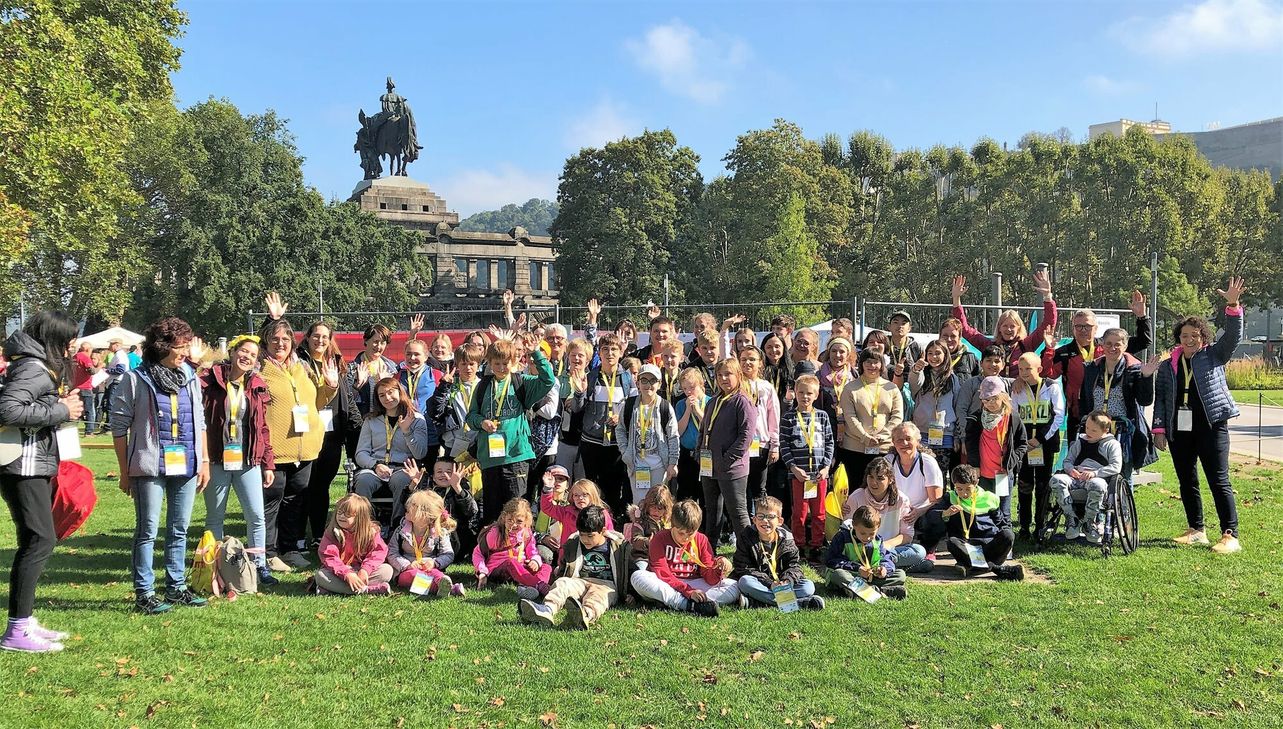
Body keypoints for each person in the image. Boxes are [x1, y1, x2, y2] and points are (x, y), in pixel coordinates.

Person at [111, 317, 210, 614]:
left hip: (187, 464)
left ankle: (176, 588)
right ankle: (144, 593)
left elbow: (200, 421)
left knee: (179, 529)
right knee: (148, 530)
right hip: (149, 466)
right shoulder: (135, 379)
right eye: (180, 346)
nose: (185, 352)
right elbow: (119, 427)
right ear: (163, 346)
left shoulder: (189, 377)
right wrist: (125, 470)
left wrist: (203, 461)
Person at [0, 310, 84, 652]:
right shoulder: (34, 368)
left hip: (29, 464)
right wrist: (61, 412)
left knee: (33, 539)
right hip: (23, 466)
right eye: (69, 339)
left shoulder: (32, 364)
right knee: (40, 540)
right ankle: (17, 630)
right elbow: (6, 410)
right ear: (54, 339)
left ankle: (25, 619)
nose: (72, 345)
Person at [1153, 278, 1246, 554]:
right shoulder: (1168, 364)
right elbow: (1162, 399)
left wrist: (1232, 304)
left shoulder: (1214, 355)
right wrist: (1159, 430)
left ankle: (1230, 534)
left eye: (1194, 335)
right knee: (1186, 479)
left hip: (1211, 426)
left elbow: (1233, 337)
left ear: (1202, 336)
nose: (1189, 339)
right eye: (1184, 335)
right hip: (1180, 429)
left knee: (1218, 479)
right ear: (1178, 338)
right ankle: (1197, 530)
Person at [258, 316, 339, 572]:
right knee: (272, 502)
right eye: (275, 339)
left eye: (285, 339)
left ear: (293, 343)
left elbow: (316, 402)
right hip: (276, 449)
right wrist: (274, 319)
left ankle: (290, 548)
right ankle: (268, 553)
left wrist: (331, 387)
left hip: (305, 448)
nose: (280, 344)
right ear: (266, 342)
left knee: (296, 500)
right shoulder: (261, 368)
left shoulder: (299, 368)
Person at [199, 334, 277, 587]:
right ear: (232, 352)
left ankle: (259, 566)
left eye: (253, 355)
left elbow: (263, 427)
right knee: (214, 517)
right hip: (217, 460)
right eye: (243, 351)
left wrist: (268, 463)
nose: (247, 357)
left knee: (256, 516)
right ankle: (215, 566)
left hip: (248, 460)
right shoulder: (210, 379)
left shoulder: (256, 384)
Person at [466, 339, 556, 523]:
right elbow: (470, 416)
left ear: (513, 362)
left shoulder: (522, 382)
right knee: (492, 510)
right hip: (490, 457)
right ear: (489, 363)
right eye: (496, 363)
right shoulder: (482, 386)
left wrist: (536, 354)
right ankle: (494, 549)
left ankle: (520, 549)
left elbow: (548, 381)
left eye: (505, 363)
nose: (501, 367)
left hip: (516, 455)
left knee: (517, 509)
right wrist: (481, 422)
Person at [1041, 292, 1152, 438]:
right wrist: (1049, 350)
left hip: (1114, 416)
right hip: (1079, 415)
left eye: (1087, 326)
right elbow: (1046, 373)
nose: (1083, 330)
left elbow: (1144, 341)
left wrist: (1142, 317)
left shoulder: (1108, 346)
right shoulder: (1064, 352)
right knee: (1080, 457)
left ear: (1095, 327)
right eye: (1078, 326)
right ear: (1073, 328)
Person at [297, 320, 363, 550]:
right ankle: (295, 536)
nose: (320, 340)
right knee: (304, 486)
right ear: (307, 337)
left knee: (322, 485)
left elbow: (346, 397)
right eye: (316, 336)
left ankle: (316, 533)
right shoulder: (297, 361)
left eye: (325, 337)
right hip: (304, 432)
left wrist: (356, 424)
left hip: (331, 435)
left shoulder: (335, 362)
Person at [519, 505, 630, 630]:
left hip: (606, 585)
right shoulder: (574, 542)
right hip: (580, 581)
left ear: (603, 531)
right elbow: (564, 566)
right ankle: (547, 610)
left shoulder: (618, 546)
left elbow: (627, 570)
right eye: (582, 535)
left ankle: (584, 615)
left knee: (598, 597)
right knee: (562, 583)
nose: (585, 539)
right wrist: (557, 577)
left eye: (590, 536)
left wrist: (630, 593)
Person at [629, 499, 739, 617]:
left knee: (733, 586)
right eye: (681, 533)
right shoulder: (659, 538)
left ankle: (674, 601)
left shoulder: (701, 539)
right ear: (672, 525)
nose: (686, 538)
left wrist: (718, 568)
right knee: (638, 577)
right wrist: (687, 591)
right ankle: (688, 604)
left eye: (690, 534)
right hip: (666, 583)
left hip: (693, 583)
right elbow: (662, 572)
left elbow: (709, 577)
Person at [1078, 328, 1158, 485]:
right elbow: (1085, 399)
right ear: (1102, 344)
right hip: (1095, 428)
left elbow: (1144, 401)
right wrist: (1083, 421)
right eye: (1108, 343)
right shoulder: (1092, 369)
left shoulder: (1133, 370)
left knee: (1122, 473)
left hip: (1122, 430)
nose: (1112, 348)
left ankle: (1124, 507)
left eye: (1117, 344)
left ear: (1125, 345)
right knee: (1093, 469)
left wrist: (1147, 377)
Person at [571, 333, 635, 518]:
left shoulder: (627, 378)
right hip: (591, 442)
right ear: (599, 352)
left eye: (614, 349)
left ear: (621, 352)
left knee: (614, 488)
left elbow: (633, 409)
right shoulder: (591, 376)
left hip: (615, 444)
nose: (609, 353)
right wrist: (579, 393)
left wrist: (621, 416)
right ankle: (591, 523)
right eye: (605, 349)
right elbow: (576, 409)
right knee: (591, 488)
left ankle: (611, 526)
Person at [353, 378, 429, 530]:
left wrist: (407, 431)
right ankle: (365, 526)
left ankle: (398, 527)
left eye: (390, 392)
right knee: (363, 481)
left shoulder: (417, 419)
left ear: (400, 392)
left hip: (403, 467)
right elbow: (360, 453)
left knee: (401, 481)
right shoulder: (371, 420)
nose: (387, 398)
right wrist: (375, 465)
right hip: (375, 466)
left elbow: (420, 454)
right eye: (382, 395)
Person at [950, 270, 1057, 377]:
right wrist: (956, 299)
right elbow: (964, 329)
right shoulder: (989, 346)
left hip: (1019, 390)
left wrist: (1048, 296)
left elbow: (1048, 325)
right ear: (999, 328)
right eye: (1005, 326)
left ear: (1019, 328)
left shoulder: (1026, 345)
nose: (1008, 329)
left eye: (1012, 326)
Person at [698, 358, 756, 546]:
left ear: (738, 375)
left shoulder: (743, 401)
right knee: (712, 510)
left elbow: (745, 437)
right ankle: (709, 550)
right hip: (709, 465)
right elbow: (703, 429)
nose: (723, 378)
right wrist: (700, 452)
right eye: (719, 375)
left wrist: (725, 460)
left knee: (738, 513)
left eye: (728, 374)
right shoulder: (713, 400)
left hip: (731, 468)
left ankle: (749, 554)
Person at [732, 496, 825, 610]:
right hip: (761, 583)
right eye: (761, 516)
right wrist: (769, 583)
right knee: (744, 582)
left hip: (781, 583)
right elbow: (743, 567)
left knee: (808, 586)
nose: (765, 521)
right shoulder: (746, 536)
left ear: (780, 521)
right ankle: (800, 603)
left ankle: (757, 602)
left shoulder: (787, 538)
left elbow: (794, 565)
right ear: (754, 519)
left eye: (770, 517)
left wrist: (787, 581)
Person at [1010, 352, 1064, 540]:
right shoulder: (1017, 389)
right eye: (1021, 369)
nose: (1024, 373)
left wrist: (1040, 439)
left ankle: (1040, 524)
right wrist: (1023, 442)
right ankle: (1024, 526)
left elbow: (1058, 415)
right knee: (1024, 484)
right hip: (1025, 446)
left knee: (1042, 485)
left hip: (1044, 444)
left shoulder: (1051, 387)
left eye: (1028, 369)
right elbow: (1014, 416)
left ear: (1039, 369)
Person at [779, 374, 833, 559]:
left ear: (816, 395)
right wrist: (793, 467)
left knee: (819, 512)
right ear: (795, 393)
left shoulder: (822, 416)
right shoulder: (789, 418)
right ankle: (799, 545)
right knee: (799, 513)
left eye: (809, 393)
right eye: (801, 392)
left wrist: (825, 468)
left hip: (819, 476)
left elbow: (829, 443)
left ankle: (817, 545)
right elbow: (784, 444)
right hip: (799, 475)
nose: (805, 397)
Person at [845, 458, 932, 573]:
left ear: (890, 479)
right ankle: (897, 566)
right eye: (870, 477)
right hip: (862, 549)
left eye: (880, 478)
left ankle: (882, 564)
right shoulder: (856, 497)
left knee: (919, 551)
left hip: (888, 548)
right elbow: (847, 530)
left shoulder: (901, 500)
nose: (873, 482)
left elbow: (907, 535)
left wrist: (883, 546)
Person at [1049, 411, 1123, 543]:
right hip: (1075, 476)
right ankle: (1072, 519)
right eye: (1087, 428)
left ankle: (1089, 522)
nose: (1089, 432)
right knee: (1056, 480)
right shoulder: (1080, 442)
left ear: (1105, 430)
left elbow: (1116, 466)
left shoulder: (1112, 444)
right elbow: (1067, 461)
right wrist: (1071, 470)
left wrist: (1095, 473)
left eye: (1093, 430)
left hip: (1098, 478)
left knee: (1097, 484)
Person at [940, 465, 1024, 580]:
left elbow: (1001, 523)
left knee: (1008, 534)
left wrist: (1006, 536)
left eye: (968, 489)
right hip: (967, 546)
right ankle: (997, 569)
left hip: (989, 545)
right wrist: (945, 514)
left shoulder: (989, 498)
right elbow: (936, 520)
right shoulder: (950, 498)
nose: (964, 494)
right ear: (953, 484)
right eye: (959, 489)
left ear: (976, 483)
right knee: (952, 542)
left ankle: (970, 565)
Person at [880, 423, 947, 559]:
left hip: (921, 512)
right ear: (893, 442)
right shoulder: (888, 461)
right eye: (899, 439)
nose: (904, 443)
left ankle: (929, 549)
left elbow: (936, 500)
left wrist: (918, 511)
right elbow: (876, 491)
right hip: (895, 511)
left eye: (908, 439)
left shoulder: (927, 462)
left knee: (938, 514)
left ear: (917, 440)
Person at [615, 364, 679, 505]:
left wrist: (673, 462)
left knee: (658, 503)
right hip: (636, 463)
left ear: (659, 383)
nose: (648, 385)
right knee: (640, 504)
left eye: (652, 381)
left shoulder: (665, 407)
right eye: (644, 380)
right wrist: (625, 451)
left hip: (659, 464)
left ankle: (658, 528)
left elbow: (673, 436)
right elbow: (620, 429)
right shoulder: (630, 405)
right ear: (637, 383)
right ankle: (640, 527)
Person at [964, 378, 1027, 520]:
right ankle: (985, 537)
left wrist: (1011, 462)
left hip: (1003, 473)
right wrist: (974, 465)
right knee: (984, 508)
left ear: (1003, 397)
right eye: (986, 400)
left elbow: (1022, 444)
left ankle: (1005, 538)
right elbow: (971, 444)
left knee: (1003, 510)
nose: (990, 404)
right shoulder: (975, 418)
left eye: (994, 399)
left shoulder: (1013, 418)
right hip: (983, 473)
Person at [839, 349, 904, 485]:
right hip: (855, 448)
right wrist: (864, 436)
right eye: (868, 362)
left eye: (876, 362)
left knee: (883, 487)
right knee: (856, 489)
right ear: (861, 364)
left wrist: (884, 435)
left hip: (884, 448)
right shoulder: (850, 388)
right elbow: (850, 416)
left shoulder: (891, 388)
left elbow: (897, 416)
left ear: (882, 365)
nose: (872, 366)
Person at [387, 489, 464, 597]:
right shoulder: (400, 531)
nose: (406, 508)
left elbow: (448, 554)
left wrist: (434, 562)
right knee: (410, 577)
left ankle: (442, 584)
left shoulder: (439, 532)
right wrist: (407, 565)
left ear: (423, 515)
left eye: (411, 506)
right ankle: (447, 589)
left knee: (436, 574)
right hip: (407, 570)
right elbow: (391, 552)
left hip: (430, 568)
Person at [472, 497, 552, 600]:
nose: (513, 525)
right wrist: (482, 572)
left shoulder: (526, 533)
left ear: (526, 521)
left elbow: (532, 552)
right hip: (498, 571)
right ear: (504, 518)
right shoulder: (495, 533)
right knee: (511, 562)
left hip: (520, 569)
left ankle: (532, 587)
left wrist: (535, 561)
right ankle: (539, 586)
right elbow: (478, 552)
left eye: (519, 521)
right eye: (510, 520)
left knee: (546, 567)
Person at [312, 493, 393, 595]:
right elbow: (329, 557)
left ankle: (333, 589)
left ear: (360, 518)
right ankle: (368, 590)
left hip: (361, 571)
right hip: (340, 572)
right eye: (339, 512)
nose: (341, 516)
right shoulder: (332, 532)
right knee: (321, 576)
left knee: (387, 570)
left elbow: (378, 553)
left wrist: (365, 570)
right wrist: (347, 574)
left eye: (347, 514)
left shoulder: (371, 532)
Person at [824, 505, 908, 600]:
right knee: (839, 575)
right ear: (854, 525)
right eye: (862, 533)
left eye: (872, 534)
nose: (867, 538)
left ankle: (865, 591)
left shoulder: (877, 540)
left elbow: (885, 558)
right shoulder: (842, 537)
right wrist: (857, 568)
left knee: (900, 574)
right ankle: (882, 591)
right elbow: (831, 560)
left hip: (870, 577)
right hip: (852, 574)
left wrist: (884, 569)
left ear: (878, 528)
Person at [907, 340, 961, 475]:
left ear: (945, 355)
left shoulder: (952, 379)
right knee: (921, 473)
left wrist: (957, 436)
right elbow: (913, 384)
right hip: (922, 432)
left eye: (938, 353)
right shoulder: (922, 375)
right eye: (930, 353)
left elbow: (957, 405)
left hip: (945, 434)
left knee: (939, 474)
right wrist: (916, 369)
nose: (933, 357)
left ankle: (939, 497)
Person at [406, 458, 479, 558]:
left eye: (448, 472)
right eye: (439, 472)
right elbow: (407, 507)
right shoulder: (426, 488)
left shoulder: (461, 488)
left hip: (454, 536)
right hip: (428, 535)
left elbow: (472, 511)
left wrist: (457, 487)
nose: (443, 474)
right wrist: (413, 484)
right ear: (434, 476)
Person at [738, 346, 780, 505]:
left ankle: (760, 523)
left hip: (761, 444)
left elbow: (773, 418)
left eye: (752, 359)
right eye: (743, 359)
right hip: (740, 444)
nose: (747, 363)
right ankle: (744, 526)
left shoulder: (767, 387)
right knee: (741, 488)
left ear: (760, 363)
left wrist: (775, 446)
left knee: (759, 489)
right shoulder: (736, 386)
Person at [953, 346, 1010, 464]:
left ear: (1003, 365)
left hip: (998, 437)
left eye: (997, 361)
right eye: (989, 360)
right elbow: (961, 409)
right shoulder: (971, 384)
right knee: (972, 472)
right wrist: (964, 437)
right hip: (974, 436)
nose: (993, 364)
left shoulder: (1007, 384)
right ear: (981, 363)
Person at [539, 473, 615, 560]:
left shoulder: (602, 513)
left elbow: (610, 535)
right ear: (572, 497)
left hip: (594, 556)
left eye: (585, 494)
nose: (580, 498)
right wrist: (548, 488)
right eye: (576, 495)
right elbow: (547, 507)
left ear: (593, 495)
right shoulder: (566, 512)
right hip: (569, 557)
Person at [429, 343, 482, 462]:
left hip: (478, 444)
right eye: (463, 364)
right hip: (453, 444)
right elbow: (435, 412)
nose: (468, 368)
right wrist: (443, 386)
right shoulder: (450, 385)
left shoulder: (483, 386)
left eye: (472, 364)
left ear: (478, 365)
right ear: (457, 365)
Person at [399, 338, 443, 472]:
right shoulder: (397, 376)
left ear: (426, 356)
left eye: (417, 354)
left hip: (431, 435)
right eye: (408, 354)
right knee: (409, 475)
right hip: (405, 434)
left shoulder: (436, 375)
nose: (412, 358)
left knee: (430, 475)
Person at [553, 337, 592, 479]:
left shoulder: (591, 380)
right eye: (573, 354)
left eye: (580, 355)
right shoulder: (558, 380)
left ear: (587, 360)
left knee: (582, 482)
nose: (576, 358)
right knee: (562, 480)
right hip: (564, 440)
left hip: (585, 440)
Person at [672, 367, 709, 503]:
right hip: (687, 454)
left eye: (692, 387)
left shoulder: (710, 402)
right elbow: (679, 431)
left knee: (705, 493)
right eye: (685, 388)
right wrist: (688, 410)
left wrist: (698, 411)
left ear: (701, 384)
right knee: (686, 494)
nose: (688, 391)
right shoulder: (681, 405)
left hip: (706, 454)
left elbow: (710, 427)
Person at [350, 324, 398, 419]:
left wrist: (386, 384)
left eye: (383, 343)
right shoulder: (351, 368)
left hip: (385, 421)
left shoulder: (392, 368)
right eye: (375, 342)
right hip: (361, 421)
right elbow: (346, 400)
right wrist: (358, 385)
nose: (379, 346)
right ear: (366, 341)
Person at [625, 483, 673, 569]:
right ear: (647, 505)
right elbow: (635, 539)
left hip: (663, 556)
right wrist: (647, 541)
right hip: (643, 556)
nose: (656, 511)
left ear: (666, 509)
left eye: (660, 508)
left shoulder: (669, 522)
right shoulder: (640, 519)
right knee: (641, 570)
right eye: (653, 507)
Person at [70, 341, 100, 436]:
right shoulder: (85, 357)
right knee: (89, 410)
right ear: (88, 349)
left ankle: (72, 429)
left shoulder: (74, 357)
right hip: (85, 387)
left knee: (77, 409)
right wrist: (100, 367)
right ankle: (89, 431)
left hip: (75, 387)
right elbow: (91, 371)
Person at [886, 310, 923, 375]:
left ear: (909, 328)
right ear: (889, 327)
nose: (900, 326)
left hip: (909, 383)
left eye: (903, 323)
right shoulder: (883, 344)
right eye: (895, 322)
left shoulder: (916, 347)